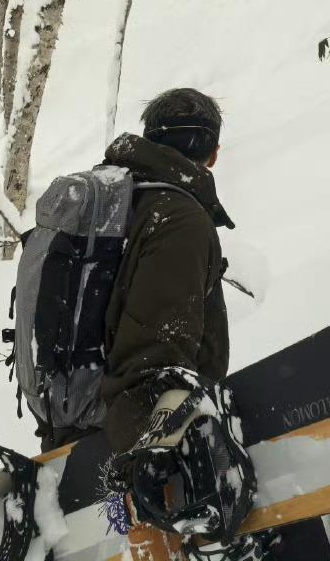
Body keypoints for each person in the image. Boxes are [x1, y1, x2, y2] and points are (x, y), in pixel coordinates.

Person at [99, 88, 262, 561]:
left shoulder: (113, 204)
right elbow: (155, 353)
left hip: (84, 425)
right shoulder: (178, 218)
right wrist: (163, 464)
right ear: (211, 152)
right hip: (151, 448)